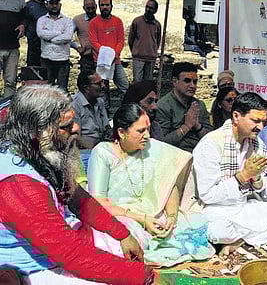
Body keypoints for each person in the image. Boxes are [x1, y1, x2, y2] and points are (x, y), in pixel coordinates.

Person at [0, 85, 155, 284]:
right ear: (38, 132)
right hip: (36, 269)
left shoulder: (39, 153)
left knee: (131, 235)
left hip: (59, 251)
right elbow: (72, 256)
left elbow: (79, 200)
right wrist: (146, 277)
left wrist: (122, 234)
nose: (76, 128)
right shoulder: (17, 186)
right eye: (66, 126)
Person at [87, 103, 215, 267]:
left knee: (198, 224)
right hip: (123, 216)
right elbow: (98, 204)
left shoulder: (153, 148)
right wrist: (142, 219)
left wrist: (171, 217)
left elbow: (169, 184)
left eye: (147, 129)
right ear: (121, 132)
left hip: (155, 213)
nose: (147, 135)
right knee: (125, 239)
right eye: (141, 131)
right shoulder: (103, 153)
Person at [193, 92, 267, 249]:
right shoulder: (211, 144)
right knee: (219, 232)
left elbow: (262, 184)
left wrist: (256, 178)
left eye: (263, 121)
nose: (261, 127)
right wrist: (242, 176)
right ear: (236, 116)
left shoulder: (257, 143)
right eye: (256, 121)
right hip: (217, 210)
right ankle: (249, 235)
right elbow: (207, 195)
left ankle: (241, 239)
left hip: (244, 205)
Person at [156, 62, 212, 152]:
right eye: (187, 81)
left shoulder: (199, 105)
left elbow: (211, 139)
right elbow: (162, 142)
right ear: (175, 82)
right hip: (176, 156)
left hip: (201, 153)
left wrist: (197, 126)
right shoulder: (163, 106)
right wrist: (186, 126)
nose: (192, 86)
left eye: (195, 82)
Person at [89, 0, 129, 94]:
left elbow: (120, 40)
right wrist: (105, 55)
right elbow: (93, 42)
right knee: (102, 89)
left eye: (107, 5)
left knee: (125, 86)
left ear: (111, 6)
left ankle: (125, 107)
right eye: (102, 5)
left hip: (115, 60)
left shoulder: (117, 21)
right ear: (99, 7)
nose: (105, 7)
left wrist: (114, 54)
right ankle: (104, 109)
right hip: (100, 60)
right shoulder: (93, 23)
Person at [36, 0, 74, 91]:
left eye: (56, 3)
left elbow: (68, 36)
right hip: (46, 59)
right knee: (46, 90)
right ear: (46, 4)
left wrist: (50, 37)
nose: (54, 6)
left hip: (62, 60)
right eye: (51, 3)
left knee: (62, 90)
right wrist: (59, 33)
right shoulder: (41, 20)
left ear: (60, 4)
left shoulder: (68, 21)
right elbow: (40, 34)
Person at [71, 70, 111, 149]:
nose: (103, 86)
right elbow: (75, 138)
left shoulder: (100, 101)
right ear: (86, 88)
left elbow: (106, 128)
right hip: (84, 150)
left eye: (102, 82)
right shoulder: (74, 105)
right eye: (98, 84)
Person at [0, 0, 25, 98]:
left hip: (12, 47)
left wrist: (23, 25)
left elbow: (25, 17)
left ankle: (7, 108)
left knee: (10, 81)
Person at [128, 0, 161, 82]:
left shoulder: (157, 25)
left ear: (155, 10)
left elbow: (157, 40)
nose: (148, 9)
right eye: (147, 7)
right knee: (137, 81)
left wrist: (152, 51)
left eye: (151, 8)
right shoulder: (137, 21)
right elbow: (131, 39)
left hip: (151, 58)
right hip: (138, 57)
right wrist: (136, 51)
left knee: (147, 82)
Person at [24, 0, 49, 66]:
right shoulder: (29, 6)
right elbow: (23, 21)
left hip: (46, 44)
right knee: (33, 70)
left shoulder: (49, 7)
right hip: (33, 44)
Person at [73, 0, 97, 72]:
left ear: (96, 6)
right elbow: (67, 35)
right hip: (86, 56)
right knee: (85, 81)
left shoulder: (101, 19)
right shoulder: (77, 20)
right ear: (84, 8)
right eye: (88, 8)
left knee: (102, 80)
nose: (90, 11)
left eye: (93, 8)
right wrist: (77, 47)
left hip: (101, 56)